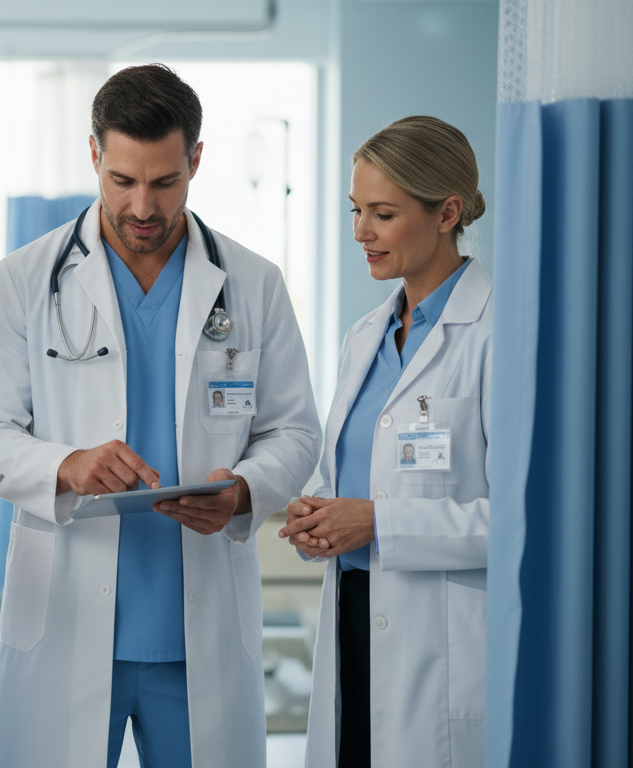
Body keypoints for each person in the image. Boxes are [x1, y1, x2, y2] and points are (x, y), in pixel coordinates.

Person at [0, 64, 321, 768]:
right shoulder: (25, 280)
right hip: (65, 610)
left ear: (197, 160)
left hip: (198, 624)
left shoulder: (254, 283)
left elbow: (295, 430)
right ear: (94, 154)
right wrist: (66, 465)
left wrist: (245, 489)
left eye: (165, 181)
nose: (143, 206)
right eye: (122, 180)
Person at [278, 115, 492, 768]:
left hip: (441, 641)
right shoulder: (364, 337)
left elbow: (526, 521)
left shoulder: (499, 334)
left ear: (447, 213)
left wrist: (377, 523)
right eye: (356, 210)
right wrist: (318, 516)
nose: (360, 232)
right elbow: (347, 478)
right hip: (352, 618)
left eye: (383, 214)